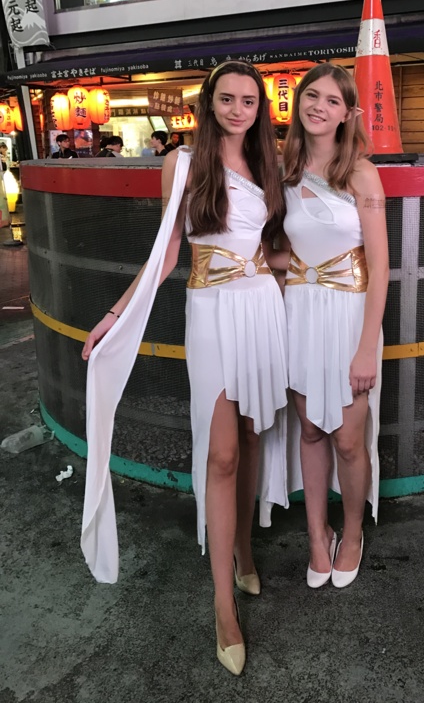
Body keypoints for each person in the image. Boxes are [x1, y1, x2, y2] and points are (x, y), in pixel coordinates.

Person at [81, 61, 288, 676]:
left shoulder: (270, 160)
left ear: (259, 108)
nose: (238, 109)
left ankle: (244, 549)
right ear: (209, 102)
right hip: (212, 311)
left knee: (252, 434)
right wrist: (117, 314)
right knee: (221, 453)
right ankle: (223, 604)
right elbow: (167, 251)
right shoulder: (183, 162)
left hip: (263, 306)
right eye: (227, 98)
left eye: (248, 100)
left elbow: (271, 242)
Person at [273, 63, 389, 589]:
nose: (318, 106)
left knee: (347, 440)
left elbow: (380, 268)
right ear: (298, 102)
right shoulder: (284, 171)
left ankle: (353, 533)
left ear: (347, 114)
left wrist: (366, 348)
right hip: (299, 312)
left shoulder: (362, 173)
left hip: (349, 318)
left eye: (332, 100)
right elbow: (278, 249)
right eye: (311, 95)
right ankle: (317, 537)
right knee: (311, 430)